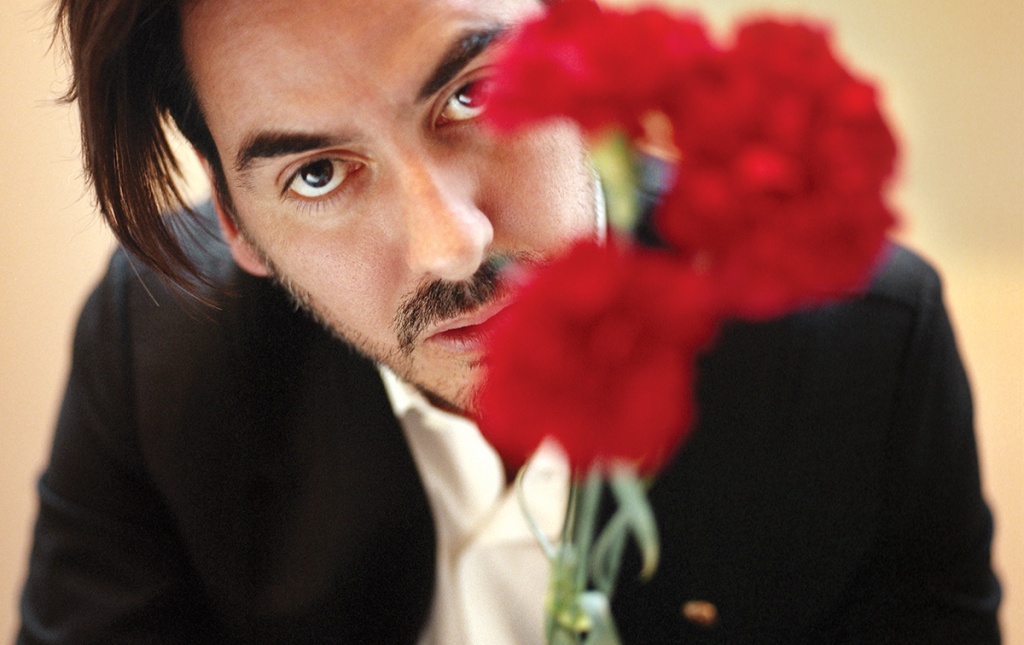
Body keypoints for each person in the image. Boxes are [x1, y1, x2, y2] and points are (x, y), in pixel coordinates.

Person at [19, 0, 1001, 642]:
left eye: (475, 91)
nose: (450, 242)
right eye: (316, 174)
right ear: (239, 227)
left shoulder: (863, 347)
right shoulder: (157, 346)